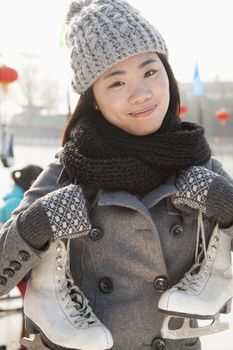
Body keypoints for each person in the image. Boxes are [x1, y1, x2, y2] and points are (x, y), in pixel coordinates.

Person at [0, 1, 233, 350]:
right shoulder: (70, 169)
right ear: (93, 98)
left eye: (150, 71)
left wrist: (225, 203)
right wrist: (38, 225)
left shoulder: (200, 166)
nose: (141, 94)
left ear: (167, 72)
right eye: (116, 82)